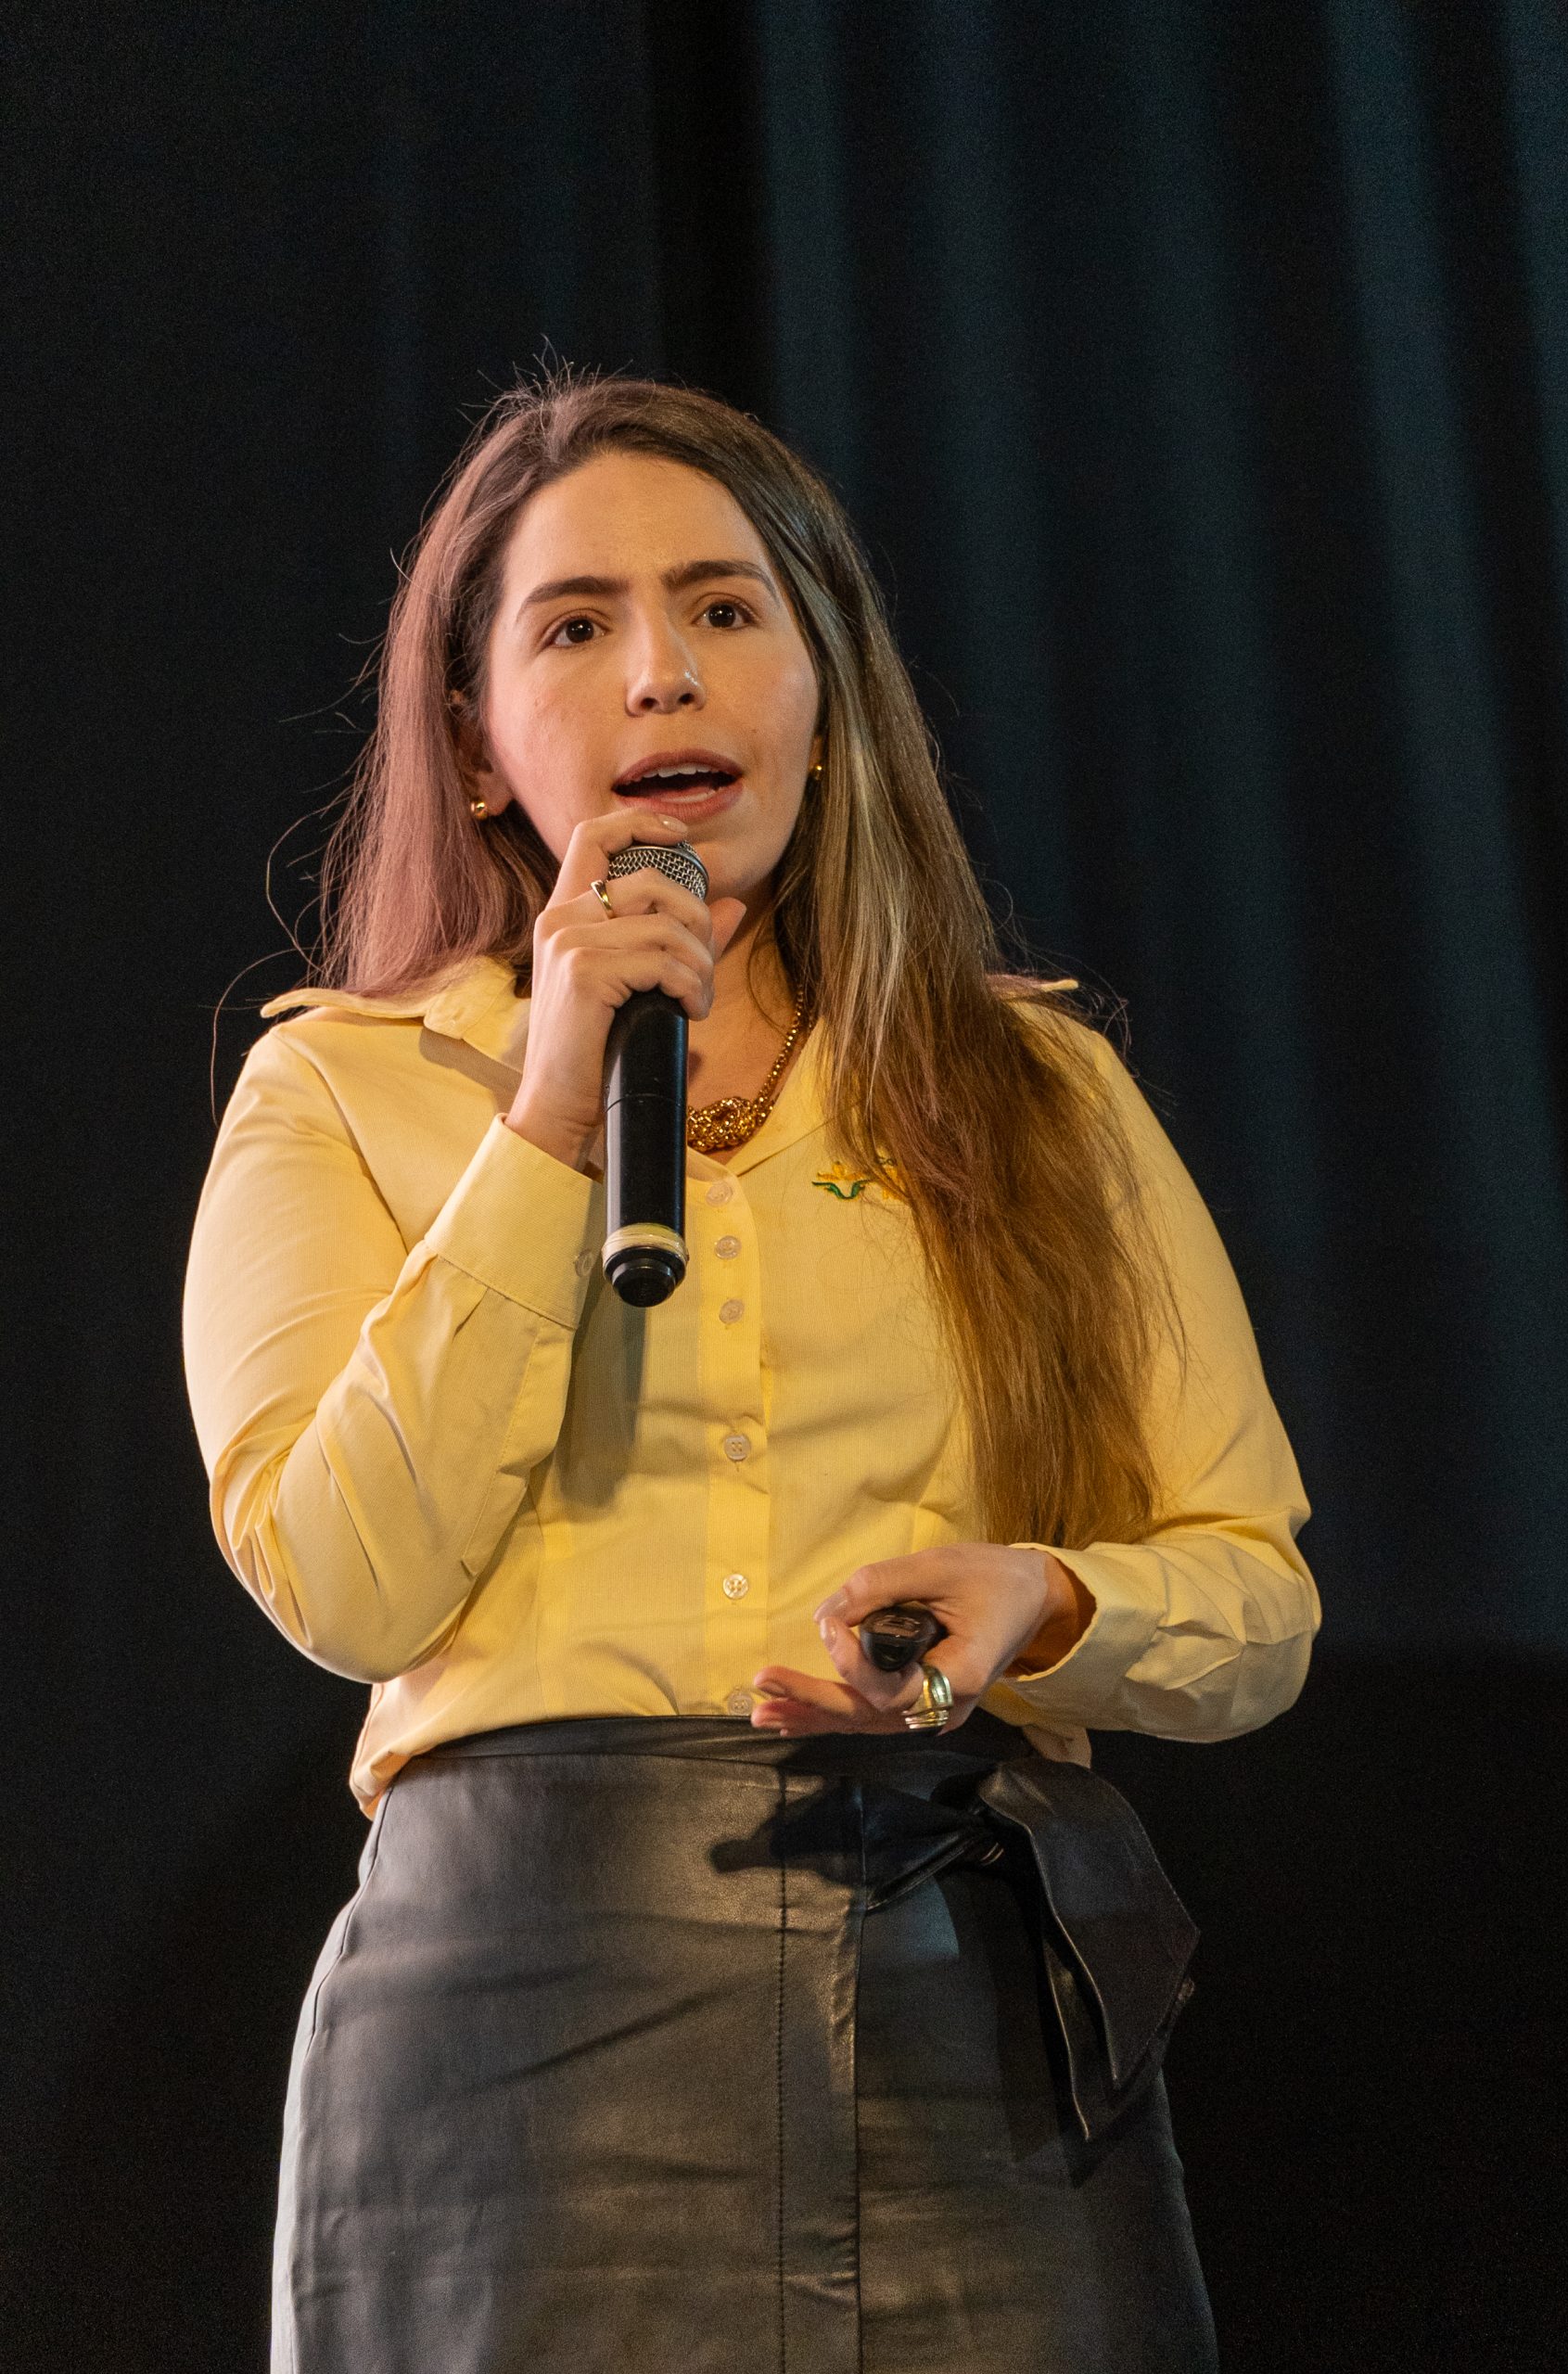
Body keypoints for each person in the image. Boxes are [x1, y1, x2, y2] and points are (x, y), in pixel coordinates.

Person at [183, 370, 1318, 2373]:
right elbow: (346, 1583)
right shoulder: (337, 1092)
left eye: (723, 608)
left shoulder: (1039, 1089)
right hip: (511, 2043)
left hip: (965, 2008)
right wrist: (549, 1113)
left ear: (826, 688)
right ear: (474, 743)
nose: (661, 674)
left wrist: (1049, 1600)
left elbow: (1254, 1600)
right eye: (575, 625)